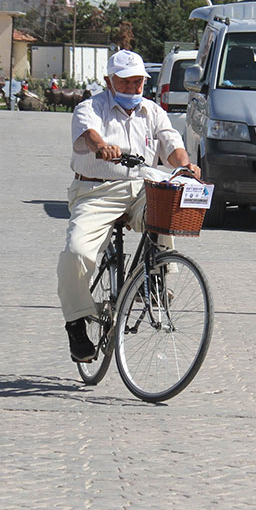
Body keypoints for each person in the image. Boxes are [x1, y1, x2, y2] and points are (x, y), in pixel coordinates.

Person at [57, 50, 200, 363]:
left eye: (139, 82)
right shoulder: (90, 107)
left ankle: (155, 278)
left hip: (140, 187)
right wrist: (101, 147)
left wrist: (185, 164)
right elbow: (88, 134)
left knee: (168, 201)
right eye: (127, 82)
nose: (135, 88)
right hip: (96, 190)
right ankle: (76, 321)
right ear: (109, 82)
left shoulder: (152, 111)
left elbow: (171, 143)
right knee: (76, 252)